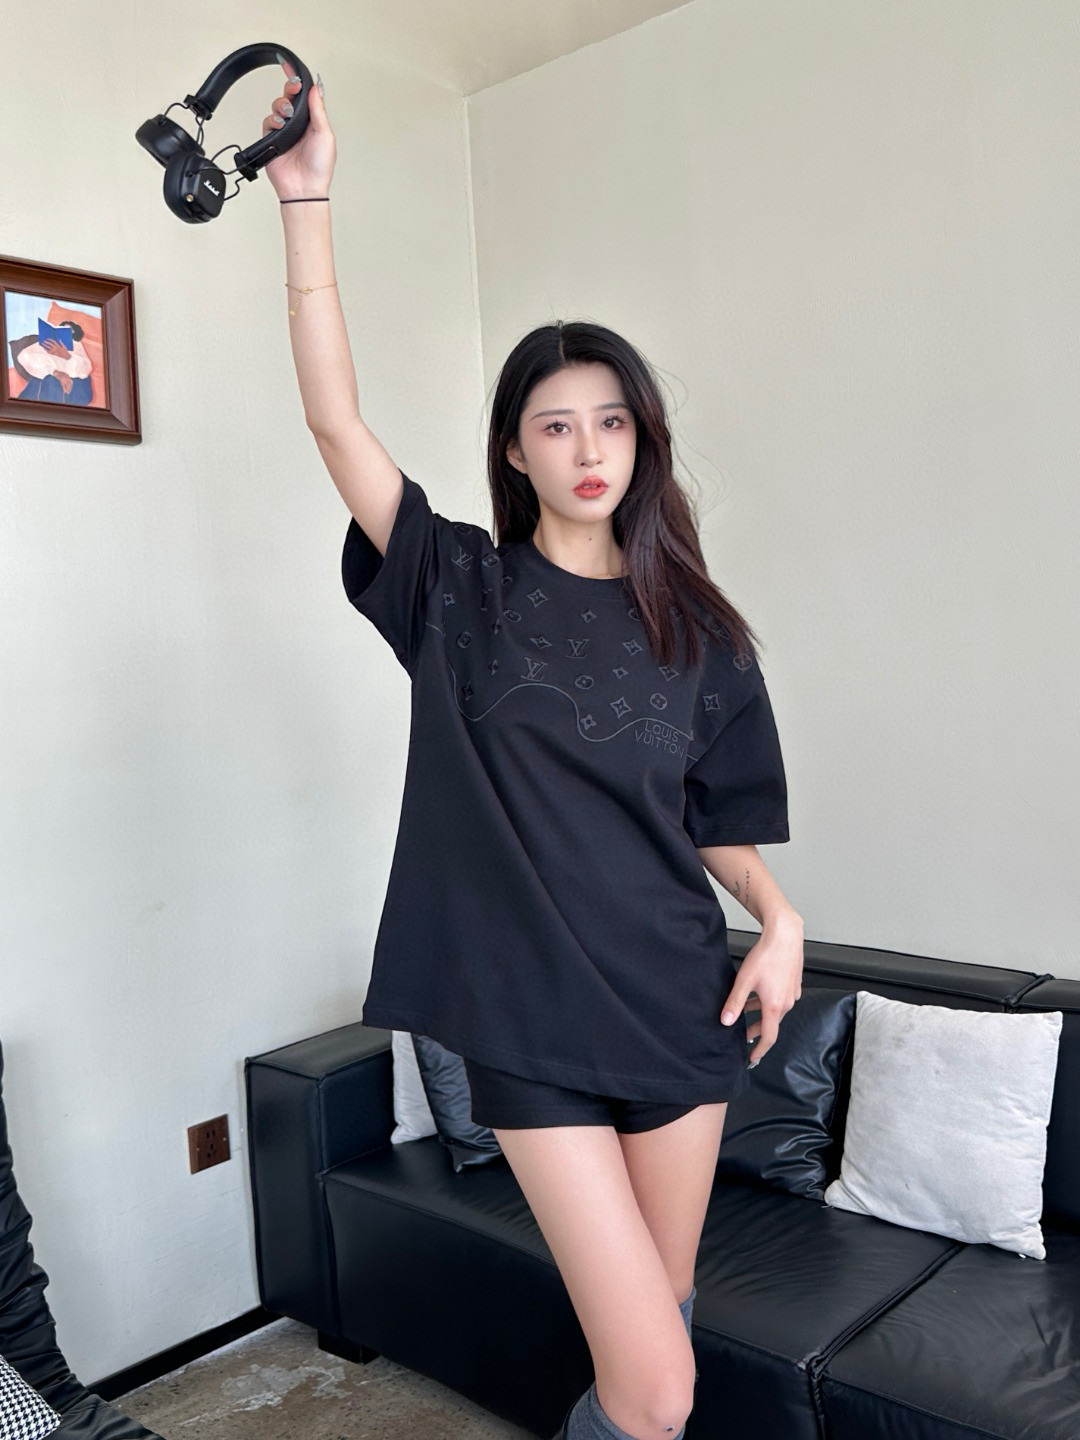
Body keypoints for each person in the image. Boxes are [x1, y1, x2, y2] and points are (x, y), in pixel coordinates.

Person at [263, 61, 804, 1440]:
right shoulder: (457, 588)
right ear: (516, 450)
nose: (587, 448)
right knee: (660, 1386)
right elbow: (334, 420)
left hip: (677, 1004)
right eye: (556, 424)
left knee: (660, 1351)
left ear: (642, 441)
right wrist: (306, 204)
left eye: (611, 421)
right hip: (527, 1023)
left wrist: (781, 918)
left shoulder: (703, 632)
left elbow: (711, 820)